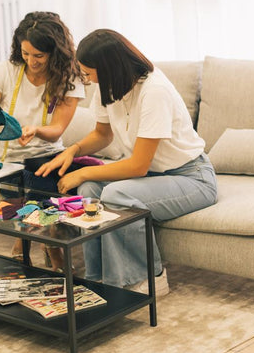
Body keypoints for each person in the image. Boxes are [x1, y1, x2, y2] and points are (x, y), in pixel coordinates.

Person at [36, 29, 219, 296]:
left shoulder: (154, 91)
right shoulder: (108, 87)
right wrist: (72, 151)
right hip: (153, 176)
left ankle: (149, 278)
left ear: (109, 68)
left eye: (89, 73)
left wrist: (83, 172)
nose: (87, 80)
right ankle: (98, 279)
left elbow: (138, 166)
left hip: (191, 177)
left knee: (115, 194)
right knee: (89, 192)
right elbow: (102, 134)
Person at [0, 11, 85, 269]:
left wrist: (36, 130)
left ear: (55, 52)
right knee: (16, 197)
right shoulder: (6, 71)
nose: (31, 61)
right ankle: (35, 241)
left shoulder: (68, 77)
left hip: (46, 153)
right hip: (9, 158)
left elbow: (57, 129)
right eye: (26, 53)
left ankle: (42, 243)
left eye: (39, 56)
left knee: (45, 190)